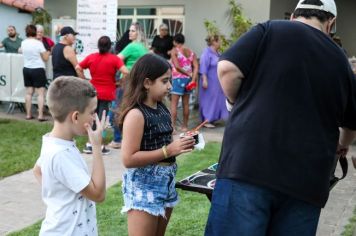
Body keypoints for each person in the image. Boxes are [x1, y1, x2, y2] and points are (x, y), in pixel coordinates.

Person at [204, 0, 356, 235]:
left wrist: (237, 103)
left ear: (294, 15)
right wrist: (342, 146)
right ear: (331, 23)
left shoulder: (269, 30)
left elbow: (227, 69)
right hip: (307, 181)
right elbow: (350, 124)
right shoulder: (341, 61)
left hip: (248, 166)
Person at [117, 54, 195, 236]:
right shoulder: (136, 115)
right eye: (165, 81)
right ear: (147, 83)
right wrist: (169, 150)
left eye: (170, 80)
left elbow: (162, 143)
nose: (170, 86)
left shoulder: (162, 108)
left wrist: (181, 143)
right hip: (144, 185)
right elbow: (128, 159)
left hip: (166, 181)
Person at [33, 76, 108, 235]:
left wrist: (57, 197)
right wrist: (96, 146)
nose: (94, 117)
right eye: (92, 112)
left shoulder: (53, 143)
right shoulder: (61, 155)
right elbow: (99, 194)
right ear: (75, 117)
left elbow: (37, 170)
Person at [76, 36, 128, 155]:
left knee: (92, 117)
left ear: (98, 46)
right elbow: (126, 72)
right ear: (110, 47)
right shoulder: (114, 59)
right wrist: (119, 82)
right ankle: (97, 146)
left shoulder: (91, 57)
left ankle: (90, 144)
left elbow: (78, 67)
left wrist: (84, 80)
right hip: (107, 93)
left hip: (92, 91)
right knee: (101, 119)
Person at [20, 25, 50, 121]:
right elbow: (45, 58)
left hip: (26, 68)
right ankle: (40, 116)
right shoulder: (38, 43)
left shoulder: (23, 42)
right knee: (40, 94)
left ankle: (28, 115)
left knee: (29, 93)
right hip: (38, 69)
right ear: (35, 32)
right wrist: (48, 53)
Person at [170, 33, 198, 132]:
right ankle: (185, 126)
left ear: (174, 41)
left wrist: (187, 74)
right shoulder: (191, 52)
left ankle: (172, 127)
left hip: (178, 79)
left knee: (174, 104)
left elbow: (177, 67)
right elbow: (196, 67)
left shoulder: (174, 51)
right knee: (186, 104)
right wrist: (193, 78)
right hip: (188, 80)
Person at [199, 34, 229, 128]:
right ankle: (206, 120)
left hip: (217, 82)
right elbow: (203, 66)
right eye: (219, 41)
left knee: (217, 100)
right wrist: (204, 79)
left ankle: (213, 118)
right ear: (214, 42)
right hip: (209, 81)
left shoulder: (217, 53)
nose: (220, 43)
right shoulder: (206, 53)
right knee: (208, 100)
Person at [108, 30, 132, 149]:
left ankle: (118, 139)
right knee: (120, 112)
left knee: (116, 112)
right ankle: (121, 138)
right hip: (124, 84)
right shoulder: (126, 49)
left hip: (121, 85)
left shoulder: (119, 51)